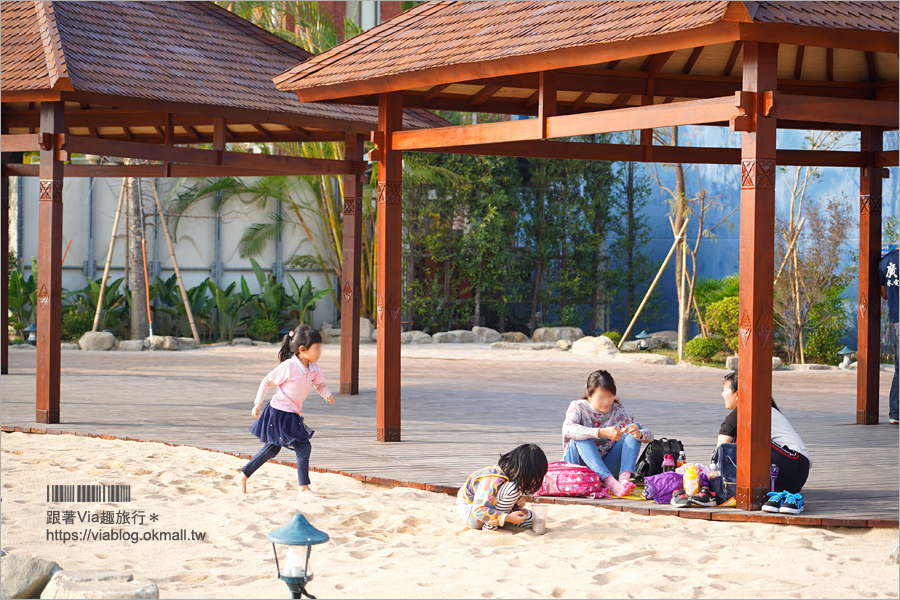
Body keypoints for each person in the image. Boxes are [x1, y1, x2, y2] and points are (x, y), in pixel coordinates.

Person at [235, 325, 336, 498]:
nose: (320, 352)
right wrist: (257, 403)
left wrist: (327, 395)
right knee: (303, 447)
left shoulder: (313, 367)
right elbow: (266, 381)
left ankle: (243, 475)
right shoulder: (289, 366)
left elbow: (320, 385)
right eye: (317, 348)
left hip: (292, 414)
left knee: (272, 449)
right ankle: (303, 488)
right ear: (303, 350)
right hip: (279, 413)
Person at [717, 371, 811, 512]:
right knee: (741, 440)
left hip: (794, 462)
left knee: (744, 442)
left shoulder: (748, 409)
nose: (722, 395)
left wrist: (713, 477)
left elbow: (721, 449)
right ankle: (776, 495)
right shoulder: (760, 408)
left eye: (724, 390)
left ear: (737, 394)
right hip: (794, 474)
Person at [561, 370, 653, 497]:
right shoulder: (578, 407)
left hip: (607, 467)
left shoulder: (618, 410)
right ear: (588, 394)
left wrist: (639, 434)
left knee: (634, 429)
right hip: (578, 468)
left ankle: (623, 480)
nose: (606, 402)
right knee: (582, 436)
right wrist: (601, 432)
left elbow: (650, 435)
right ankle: (610, 482)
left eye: (610, 396)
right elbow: (567, 429)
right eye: (601, 397)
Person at [457, 444, 548, 531]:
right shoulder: (492, 478)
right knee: (513, 489)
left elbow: (498, 497)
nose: (532, 481)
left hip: (490, 513)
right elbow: (479, 511)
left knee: (534, 520)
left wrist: (518, 501)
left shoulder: (509, 473)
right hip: (473, 517)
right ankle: (490, 528)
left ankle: (497, 523)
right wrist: (507, 518)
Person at [879, 247, 899, 425]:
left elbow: (884, 294)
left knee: (899, 369)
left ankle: (895, 413)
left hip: (897, 318)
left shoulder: (886, 260)